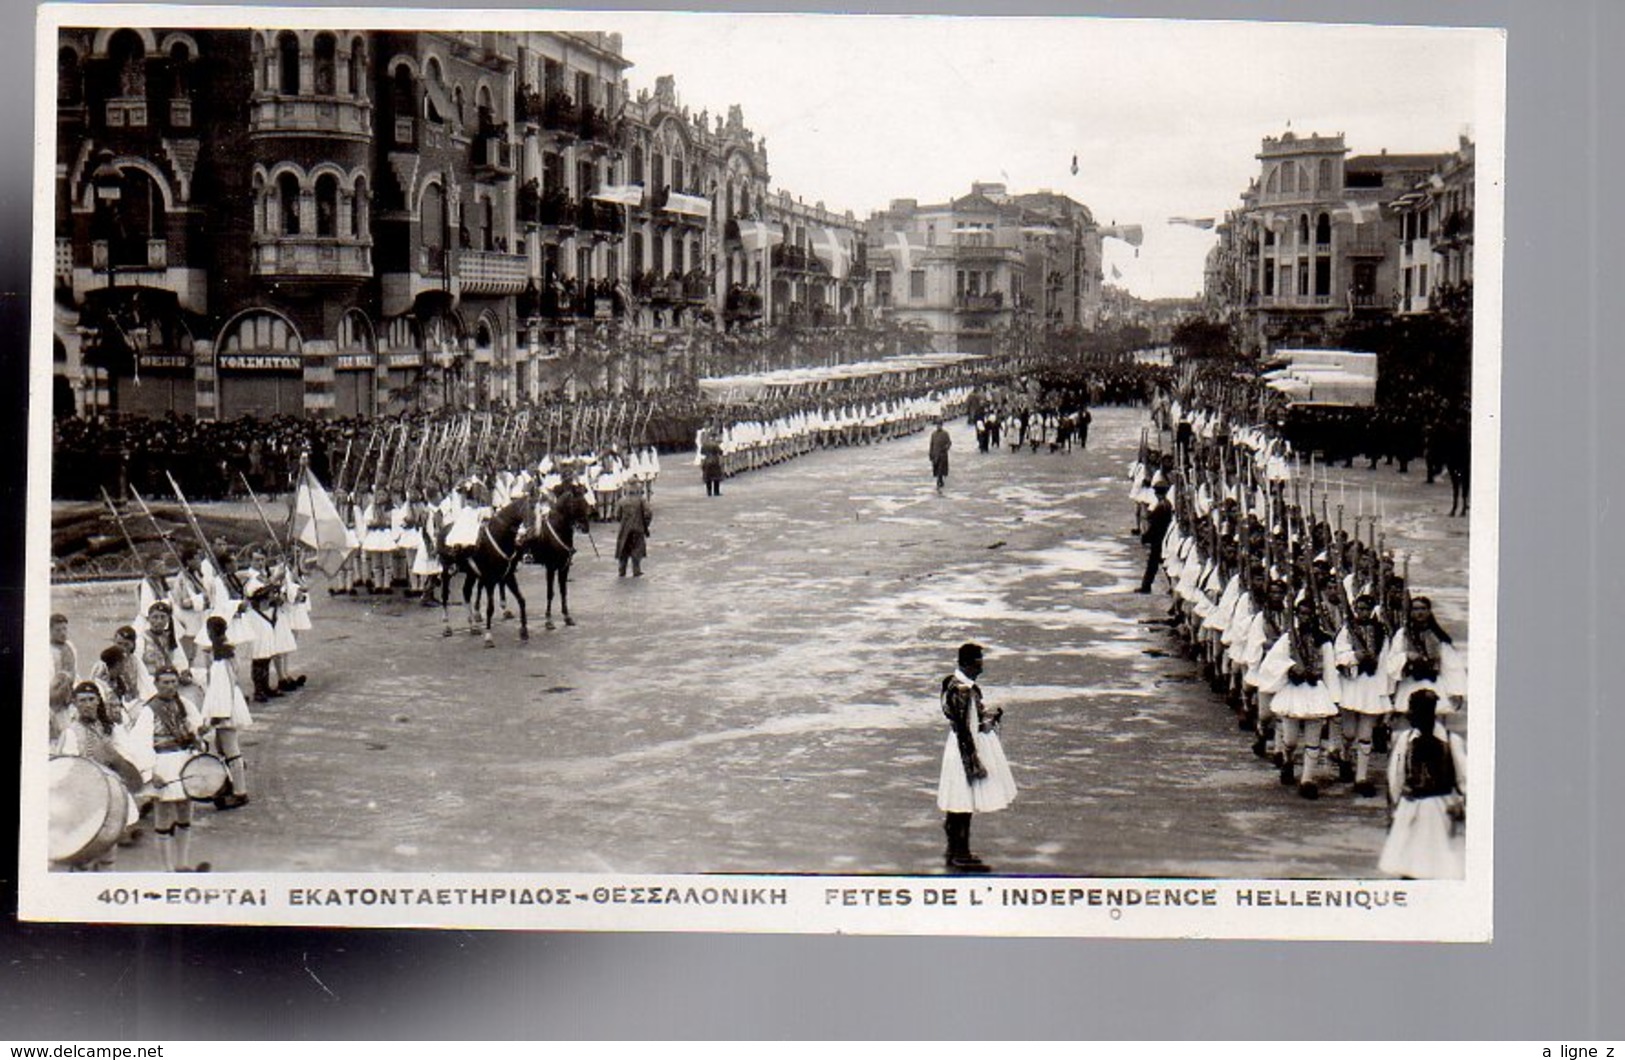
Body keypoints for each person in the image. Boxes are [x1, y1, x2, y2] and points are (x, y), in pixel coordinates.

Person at [936, 642, 1016, 873]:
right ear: (969, 664)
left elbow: (965, 722)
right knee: (963, 802)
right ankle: (961, 854)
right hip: (964, 750)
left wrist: (986, 718)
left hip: (956, 748)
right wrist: (973, 764)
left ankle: (954, 850)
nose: (982, 668)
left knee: (957, 802)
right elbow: (965, 731)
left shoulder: (952, 683)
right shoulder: (963, 691)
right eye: (979, 663)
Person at [1378, 689, 1466, 879]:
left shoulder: (1451, 741)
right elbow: (1396, 774)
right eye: (1411, 711)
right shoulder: (1405, 739)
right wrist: (1394, 808)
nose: (1411, 716)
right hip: (1409, 808)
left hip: (1439, 809)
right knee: (1408, 863)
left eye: (1417, 711)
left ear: (1430, 712)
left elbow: (1463, 779)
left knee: (1436, 863)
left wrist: (1461, 806)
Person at [145, 665, 211, 872]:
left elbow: (196, 728)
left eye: (173, 682)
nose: (170, 686)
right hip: (162, 763)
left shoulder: (185, 704)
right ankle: (166, 870)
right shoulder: (148, 710)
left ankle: (182, 864)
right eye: (165, 682)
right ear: (156, 684)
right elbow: (139, 745)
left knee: (185, 812)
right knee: (163, 816)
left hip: (184, 761)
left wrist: (200, 735)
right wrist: (150, 773)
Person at [1137, 483, 1173, 594]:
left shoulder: (1161, 506)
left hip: (1158, 539)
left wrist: (1146, 537)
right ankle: (1172, 587)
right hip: (1164, 538)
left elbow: (1154, 525)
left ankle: (1146, 586)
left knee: (1153, 564)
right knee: (1164, 564)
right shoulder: (1168, 505)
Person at [615, 484, 651, 578]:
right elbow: (648, 514)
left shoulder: (622, 501)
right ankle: (636, 570)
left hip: (624, 529)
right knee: (637, 549)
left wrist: (623, 522)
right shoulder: (641, 501)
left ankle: (622, 570)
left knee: (624, 550)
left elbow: (617, 516)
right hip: (638, 528)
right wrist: (645, 525)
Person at [928, 420, 952, 492]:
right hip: (935, 454)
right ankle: (940, 479)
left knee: (941, 469)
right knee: (937, 468)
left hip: (943, 455)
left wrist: (946, 448)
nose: (938, 426)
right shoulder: (933, 434)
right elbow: (931, 444)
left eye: (940, 425)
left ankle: (939, 480)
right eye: (937, 425)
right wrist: (930, 454)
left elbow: (949, 443)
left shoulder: (945, 434)